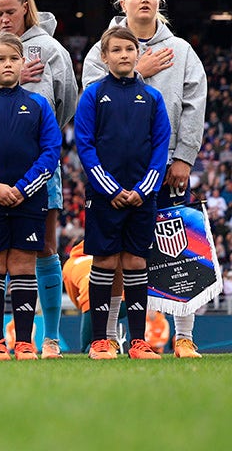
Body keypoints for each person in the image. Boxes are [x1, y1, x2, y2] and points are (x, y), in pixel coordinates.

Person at [81, 0, 208, 358]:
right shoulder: (99, 51)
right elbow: (93, 98)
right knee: (121, 258)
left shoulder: (182, 49)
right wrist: (141, 71)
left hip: (168, 165)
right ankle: (113, 336)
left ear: (159, 1)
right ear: (123, 2)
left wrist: (185, 155)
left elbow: (194, 103)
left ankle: (184, 336)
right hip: (117, 170)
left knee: (180, 248)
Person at [0, 0, 76, 359]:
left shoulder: (52, 50)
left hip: (38, 170)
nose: (5, 18)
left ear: (26, 7)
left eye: (10, 11)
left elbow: (68, 101)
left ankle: (50, 337)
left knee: (44, 248)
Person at [76, 27, 170, 360]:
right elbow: (85, 145)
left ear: (138, 53)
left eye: (129, 49)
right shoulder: (92, 95)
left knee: (135, 261)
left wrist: (145, 189)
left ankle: (137, 341)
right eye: (116, 50)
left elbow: (161, 146)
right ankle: (102, 340)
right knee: (103, 261)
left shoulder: (153, 98)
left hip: (143, 195)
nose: (124, 55)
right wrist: (111, 188)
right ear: (104, 57)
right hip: (105, 195)